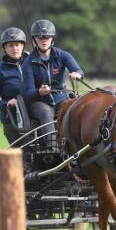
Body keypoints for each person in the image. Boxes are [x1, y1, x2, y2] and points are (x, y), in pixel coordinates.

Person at [22, 19, 84, 147]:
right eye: (40, 37)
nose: (44, 40)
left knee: (74, 109)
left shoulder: (63, 55)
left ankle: (77, 145)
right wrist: (39, 91)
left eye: (47, 37)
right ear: (35, 40)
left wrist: (77, 74)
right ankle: (53, 148)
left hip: (62, 97)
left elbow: (79, 71)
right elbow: (28, 93)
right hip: (40, 101)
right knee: (45, 112)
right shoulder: (28, 63)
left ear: (52, 39)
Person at [0, 27, 28, 144]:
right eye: (10, 45)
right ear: (5, 48)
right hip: (12, 122)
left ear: (23, 46)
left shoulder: (33, 63)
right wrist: (6, 105)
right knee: (21, 159)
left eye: (17, 44)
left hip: (36, 119)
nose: (15, 48)